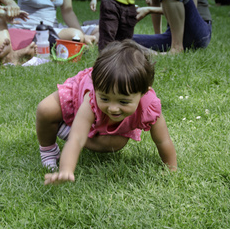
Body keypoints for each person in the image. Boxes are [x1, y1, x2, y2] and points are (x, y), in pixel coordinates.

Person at [36, 39, 177, 184]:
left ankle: (65, 130)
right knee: (45, 109)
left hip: (105, 127)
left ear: (143, 93)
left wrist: (172, 170)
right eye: (104, 98)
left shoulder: (150, 106)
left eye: (123, 101)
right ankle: (48, 149)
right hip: (76, 100)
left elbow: (163, 140)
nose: (113, 108)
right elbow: (77, 139)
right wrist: (66, 170)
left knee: (115, 143)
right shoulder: (91, 100)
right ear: (96, 88)